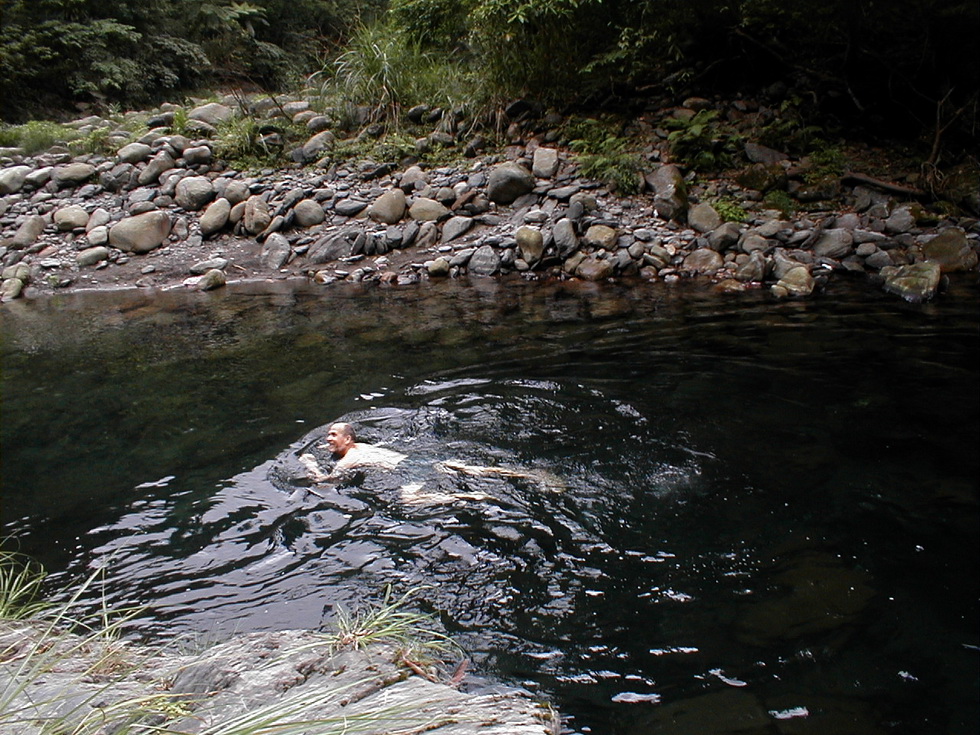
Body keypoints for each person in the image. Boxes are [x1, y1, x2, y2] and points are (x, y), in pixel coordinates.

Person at [298, 422, 405, 483]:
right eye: (328, 435)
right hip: (406, 461)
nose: (328, 438)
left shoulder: (350, 458)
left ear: (347, 439)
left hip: (404, 471)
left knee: (409, 501)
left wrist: (310, 465)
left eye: (333, 435)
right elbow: (335, 446)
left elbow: (325, 482)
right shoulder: (359, 446)